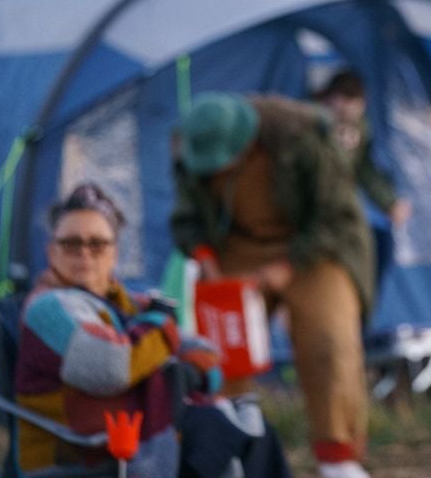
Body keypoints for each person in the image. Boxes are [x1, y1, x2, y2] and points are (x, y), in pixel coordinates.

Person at [16, 182, 292, 478]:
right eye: (71, 244)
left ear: (114, 254)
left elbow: (208, 354)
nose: (84, 254)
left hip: (136, 431)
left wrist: (187, 367)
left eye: (97, 244)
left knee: (254, 430)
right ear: (51, 252)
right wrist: (161, 328)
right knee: (218, 435)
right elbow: (113, 366)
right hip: (85, 449)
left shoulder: (125, 303)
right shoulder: (49, 308)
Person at [170, 91, 374, 478]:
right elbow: (186, 220)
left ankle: (337, 455)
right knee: (219, 345)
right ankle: (227, 448)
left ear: (246, 142)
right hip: (238, 248)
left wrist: (287, 265)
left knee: (328, 341)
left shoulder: (305, 136)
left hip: (314, 249)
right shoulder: (192, 149)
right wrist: (207, 262)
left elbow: (336, 217)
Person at [314, 69, 412, 226]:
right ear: (329, 99)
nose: (347, 115)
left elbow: (364, 168)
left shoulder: (360, 130)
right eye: (342, 109)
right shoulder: (307, 122)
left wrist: (389, 202)